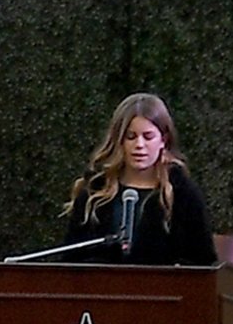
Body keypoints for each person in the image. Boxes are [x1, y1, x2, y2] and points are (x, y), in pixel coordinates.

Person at [63, 92, 217, 265]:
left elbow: (202, 261)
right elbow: (71, 259)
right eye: (131, 137)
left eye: (148, 137)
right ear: (119, 141)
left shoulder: (183, 194)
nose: (139, 145)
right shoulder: (95, 191)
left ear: (163, 140)